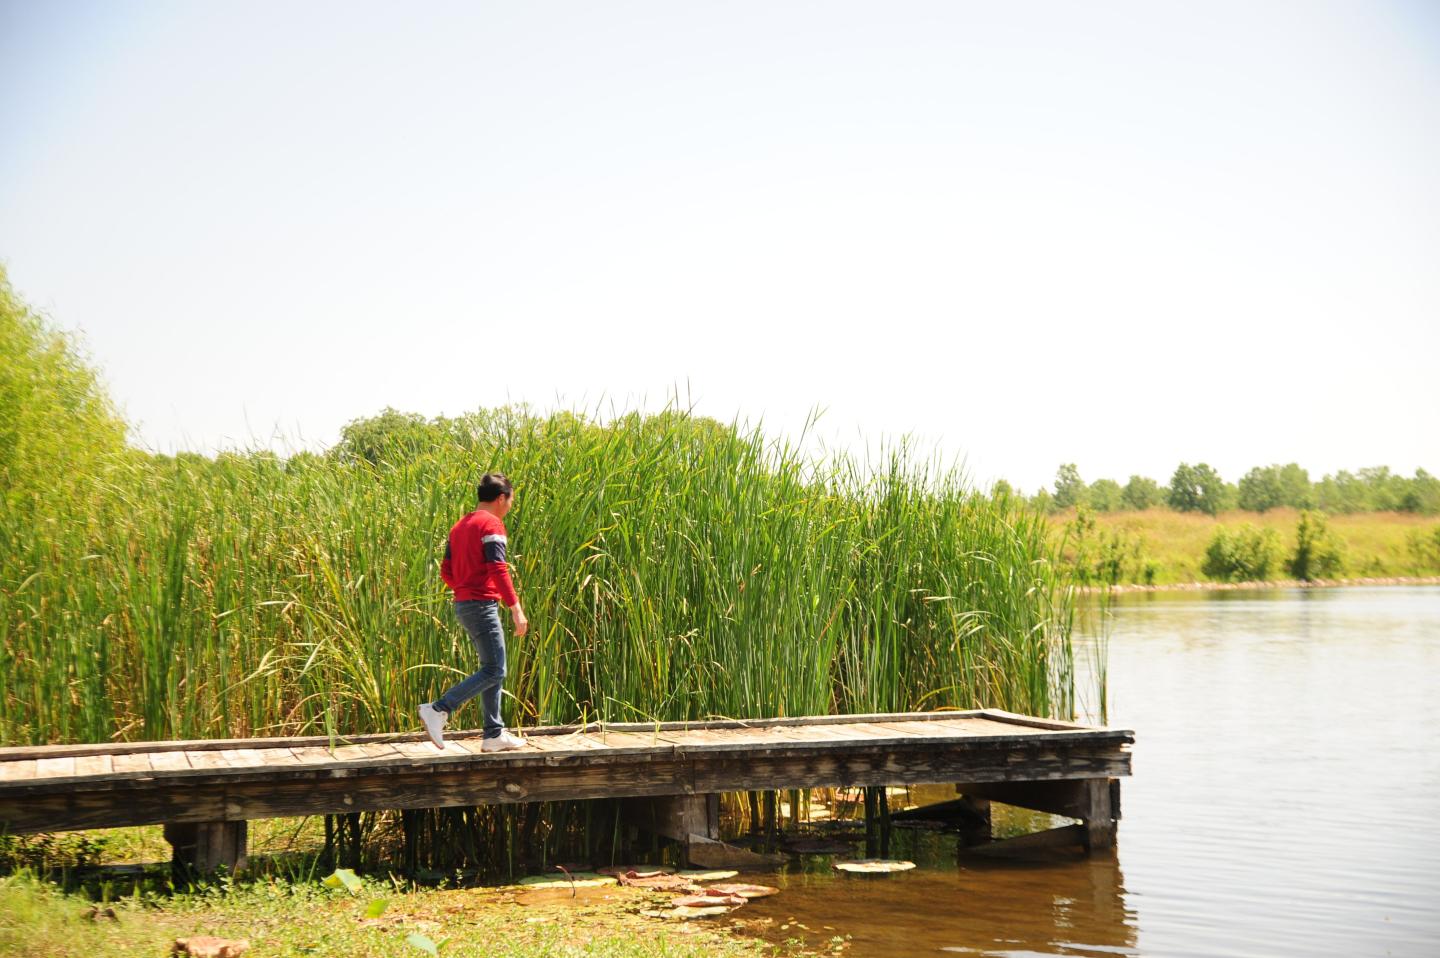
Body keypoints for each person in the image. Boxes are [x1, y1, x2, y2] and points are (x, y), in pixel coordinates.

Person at [418, 472, 529, 751]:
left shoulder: (459, 526)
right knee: (495, 668)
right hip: (481, 605)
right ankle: (439, 708)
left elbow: (446, 570)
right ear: (501, 498)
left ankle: (493, 734)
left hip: (464, 605)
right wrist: (515, 607)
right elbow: (497, 568)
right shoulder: (492, 524)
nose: (510, 506)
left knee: (492, 668)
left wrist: (465, 588)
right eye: (511, 500)